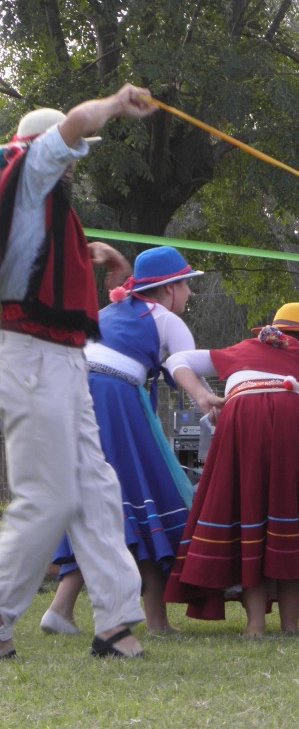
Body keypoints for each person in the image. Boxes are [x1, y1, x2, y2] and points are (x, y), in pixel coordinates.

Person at [0, 87, 157, 659]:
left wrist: (93, 254)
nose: (74, 165)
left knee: (95, 487)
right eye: (70, 153)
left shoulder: (38, 199)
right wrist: (116, 103)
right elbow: (72, 123)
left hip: (60, 356)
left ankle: (115, 622)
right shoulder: (30, 165)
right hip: (30, 353)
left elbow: (33, 259)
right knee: (50, 496)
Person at [41, 246, 204, 637]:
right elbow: (185, 365)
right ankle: (158, 622)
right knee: (148, 497)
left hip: (73, 395)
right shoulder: (165, 319)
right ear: (168, 289)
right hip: (114, 399)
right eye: (186, 285)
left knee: (104, 502)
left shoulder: (108, 312)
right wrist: (204, 398)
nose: (190, 295)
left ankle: (61, 609)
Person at [162, 302, 299, 637]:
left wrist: (203, 396)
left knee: (249, 515)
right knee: (296, 516)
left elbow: (176, 360)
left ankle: (255, 625)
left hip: (242, 415)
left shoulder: (239, 349)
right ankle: (290, 625)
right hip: (293, 416)